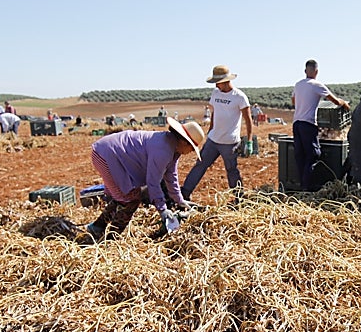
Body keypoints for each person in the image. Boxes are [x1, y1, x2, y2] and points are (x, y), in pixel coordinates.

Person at [85, 118, 206, 241]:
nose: (191, 152)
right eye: (192, 148)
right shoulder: (163, 150)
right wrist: (162, 209)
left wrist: (179, 200)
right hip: (106, 155)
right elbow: (153, 182)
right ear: (184, 142)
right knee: (130, 199)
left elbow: (171, 176)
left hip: (107, 153)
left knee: (125, 196)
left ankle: (97, 227)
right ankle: (111, 239)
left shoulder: (173, 147)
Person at [181, 65, 253, 200]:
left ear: (225, 81)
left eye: (217, 82)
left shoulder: (240, 97)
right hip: (213, 140)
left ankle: (239, 199)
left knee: (232, 171)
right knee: (200, 165)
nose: (216, 85)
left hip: (230, 143)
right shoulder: (216, 93)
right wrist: (210, 130)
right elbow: (215, 112)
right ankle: (184, 193)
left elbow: (248, 120)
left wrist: (249, 141)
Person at [291, 59, 349, 192]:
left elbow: (293, 101)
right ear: (316, 72)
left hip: (296, 123)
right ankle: (308, 188)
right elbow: (335, 101)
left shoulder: (298, 84)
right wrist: (344, 104)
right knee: (313, 155)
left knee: (300, 155)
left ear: (305, 71)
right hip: (308, 124)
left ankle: (301, 186)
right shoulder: (317, 85)